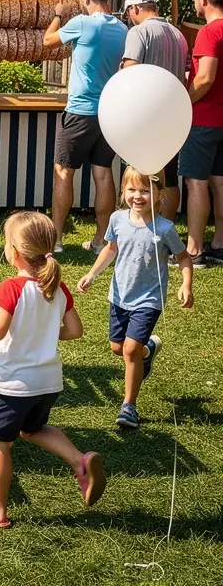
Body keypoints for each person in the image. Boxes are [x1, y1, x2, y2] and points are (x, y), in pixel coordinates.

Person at [0, 211, 105, 529]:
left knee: (0, 443)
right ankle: (79, 462)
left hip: (14, 385)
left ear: (14, 251)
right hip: (48, 382)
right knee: (33, 429)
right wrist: (41, 332)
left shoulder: (11, 288)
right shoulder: (56, 286)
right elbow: (75, 330)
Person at [78, 166, 194, 429]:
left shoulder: (164, 228)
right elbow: (111, 249)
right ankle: (147, 350)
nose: (138, 196)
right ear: (123, 191)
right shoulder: (117, 219)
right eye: (132, 190)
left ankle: (128, 406)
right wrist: (92, 274)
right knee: (118, 347)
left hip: (149, 299)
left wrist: (186, 285)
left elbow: (184, 258)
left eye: (145, 190)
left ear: (159, 194)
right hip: (120, 295)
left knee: (130, 350)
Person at [43, 0, 127, 253]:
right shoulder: (123, 29)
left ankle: (56, 240)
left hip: (80, 111)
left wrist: (58, 15)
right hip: (110, 112)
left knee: (63, 172)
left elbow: (47, 41)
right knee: (103, 173)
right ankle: (102, 239)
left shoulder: (81, 22)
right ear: (108, 0)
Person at [121, 0, 188, 221]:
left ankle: (142, 226)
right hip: (172, 116)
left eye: (129, 12)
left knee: (139, 173)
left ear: (135, 8)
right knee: (169, 177)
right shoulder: (178, 34)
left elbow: (130, 70)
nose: (130, 17)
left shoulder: (139, 32)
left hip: (145, 115)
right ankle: (166, 228)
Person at [177, 0, 223, 269]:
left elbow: (205, 77)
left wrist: (184, 100)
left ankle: (194, 250)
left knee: (197, 183)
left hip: (203, 119)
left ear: (203, 0)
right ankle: (219, 243)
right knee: (220, 183)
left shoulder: (209, 31)